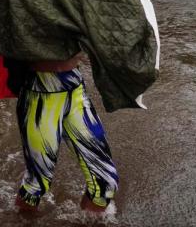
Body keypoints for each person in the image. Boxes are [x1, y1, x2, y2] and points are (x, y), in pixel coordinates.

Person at [14, 54, 119, 215]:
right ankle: (22, 220)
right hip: (39, 94)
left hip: (76, 89)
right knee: (36, 185)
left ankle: (89, 221)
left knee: (106, 183)